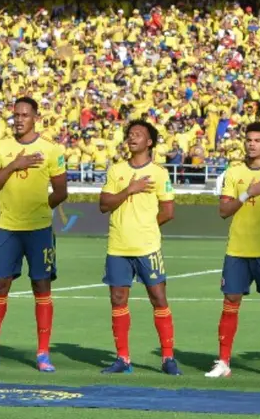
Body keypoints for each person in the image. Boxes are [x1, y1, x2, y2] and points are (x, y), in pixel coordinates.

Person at [0, 96, 68, 372]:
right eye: (16, 115)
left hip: (39, 230)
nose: (19, 119)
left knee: (41, 287)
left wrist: (42, 208)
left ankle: (43, 354)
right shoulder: (2, 147)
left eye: (25, 114)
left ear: (36, 117)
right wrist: (14, 165)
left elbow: (61, 191)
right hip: (6, 228)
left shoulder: (51, 149)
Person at [205, 122, 260, 380]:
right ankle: (223, 362)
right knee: (230, 302)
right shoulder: (233, 172)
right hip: (237, 250)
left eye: (257, 140)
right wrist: (247, 193)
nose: (252, 144)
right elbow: (224, 211)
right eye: (249, 140)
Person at [97, 119, 181, 376]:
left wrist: (146, 227)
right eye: (130, 134)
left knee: (158, 298)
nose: (132, 138)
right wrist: (130, 189)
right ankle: (123, 358)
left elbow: (168, 212)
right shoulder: (116, 171)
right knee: (118, 300)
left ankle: (168, 358)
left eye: (138, 135)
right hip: (118, 247)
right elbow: (104, 204)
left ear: (150, 142)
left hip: (147, 247)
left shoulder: (159, 173)